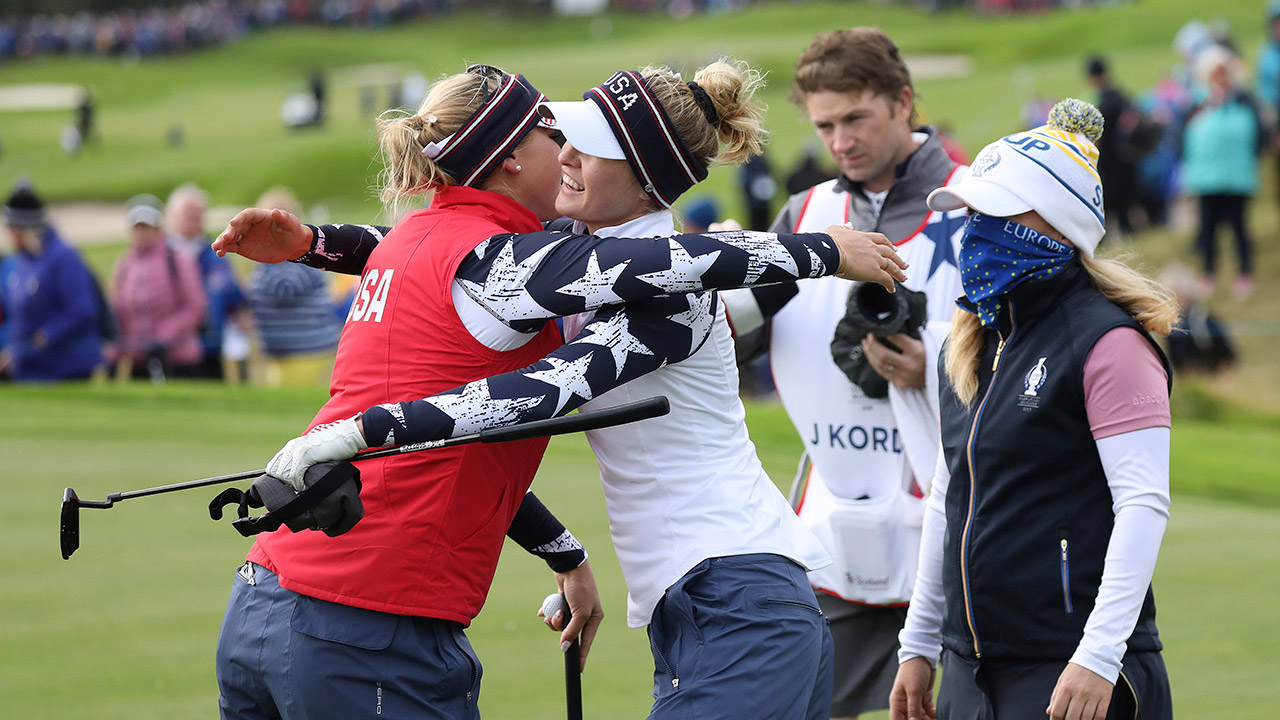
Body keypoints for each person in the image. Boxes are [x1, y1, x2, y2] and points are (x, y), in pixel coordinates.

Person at [211, 63, 904, 720]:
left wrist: (363, 431)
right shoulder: (564, 253)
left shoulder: (671, 296)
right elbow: (444, 256)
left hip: (740, 596)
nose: (568, 154)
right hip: (701, 604)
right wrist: (316, 243)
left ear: (644, 183)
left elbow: (545, 389)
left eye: (589, 148)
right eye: (564, 137)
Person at [890, 99, 1177, 720]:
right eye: (970, 213)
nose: (973, 231)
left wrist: (1099, 656)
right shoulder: (972, 340)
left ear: (1054, 221)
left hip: (1070, 669)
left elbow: (1143, 502)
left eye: (991, 212)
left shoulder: (1109, 341)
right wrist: (918, 642)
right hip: (971, 668)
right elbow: (949, 492)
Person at [718, 27, 967, 720]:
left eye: (856, 118)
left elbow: (1036, 364)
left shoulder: (977, 208)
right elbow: (731, 341)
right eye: (826, 125)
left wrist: (938, 371)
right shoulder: (804, 214)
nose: (841, 140)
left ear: (903, 103)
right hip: (833, 529)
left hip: (964, 531)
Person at [1179, 44, 1266, 300]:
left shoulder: (1243, 100)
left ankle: (1244, 273)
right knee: (1208, 228)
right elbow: (1183, 137)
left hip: (1237, 176)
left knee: (1239, 227)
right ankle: (1208, 274)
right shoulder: (1197, 102)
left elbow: (1258, 136)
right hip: (1207, 179)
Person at [1, 182, 104, 381]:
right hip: (32, 367)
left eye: (12, 230)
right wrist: (12, 349)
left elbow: (83, 310)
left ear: (25, 229)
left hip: (66, 367)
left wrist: (48, 335)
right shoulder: (23, 261)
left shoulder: (63, 257)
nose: (9, 236)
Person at [244, 187, 342, 386]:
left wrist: (264, 258)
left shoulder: (303, 256)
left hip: (309, 354)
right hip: (279, 356)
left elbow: (285, 288)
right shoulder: (272, 260)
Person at [111, 195, 207, 380]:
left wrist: (163, 336)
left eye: (146, 227)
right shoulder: (125, 265)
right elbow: (120, 311)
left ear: (158, 228)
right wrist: (117, 349)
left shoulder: (177, 260)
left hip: (179, 359)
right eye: (137, 227)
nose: (141, 232)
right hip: (140, 359)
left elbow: (194, 307)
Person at [166, 183, 250, 379]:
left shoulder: (215, 252)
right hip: (174, 346)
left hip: (211, 342)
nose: (194, 221)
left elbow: (232, 292)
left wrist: (241, 311)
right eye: (188, 215)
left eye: (198, 215)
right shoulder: (164, 256)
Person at [1086, 55, 1138, 238]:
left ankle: (1107, 235)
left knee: (1108, 195)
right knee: (1124, 196)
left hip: (1109, 155)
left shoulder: (1104, 100)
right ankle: (1128, 229)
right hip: (1126, 153)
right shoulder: (1120, 94)